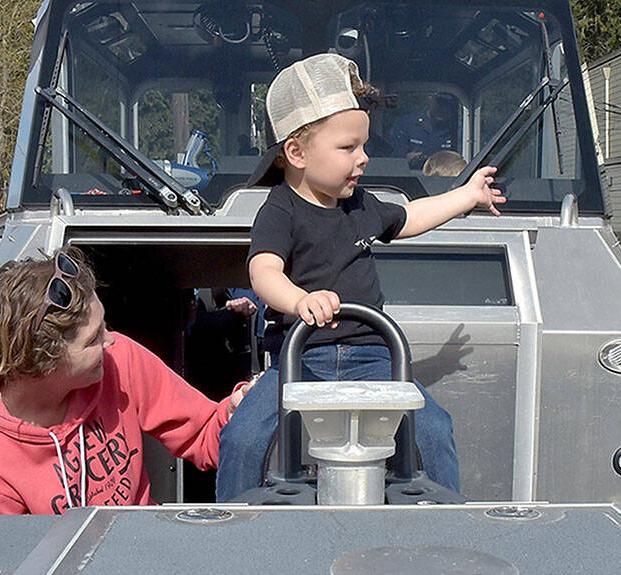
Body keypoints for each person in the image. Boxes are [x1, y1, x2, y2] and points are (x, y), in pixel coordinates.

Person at [216, 53, 504, 501]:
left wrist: (464, 196)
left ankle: (448, 517)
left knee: (433, 426)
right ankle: (232, 524)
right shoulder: (280, 211)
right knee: (243, 437)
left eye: (363, 146)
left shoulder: (361, 206)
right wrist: (298, 301)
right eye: (348, 148)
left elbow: (410, 216)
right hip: (300, 360)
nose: (363, 158)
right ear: (296, 152)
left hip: (374, 356)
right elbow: (264, 271)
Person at [0, 248, 249, 515]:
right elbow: (21, 572)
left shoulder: (119, 359)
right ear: (42, 362)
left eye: (103, 326)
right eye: (93, 339)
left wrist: (236, 415)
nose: (110, 341)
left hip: (147, 551)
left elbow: (204, 433)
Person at [388, 93, 459, 170]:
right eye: (441, 102)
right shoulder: (405, 125)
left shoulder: (459, 131)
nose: (444, 109)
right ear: (431, 99)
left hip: (446, 179)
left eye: (450, 105)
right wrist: (407, 159)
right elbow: (392, 159)